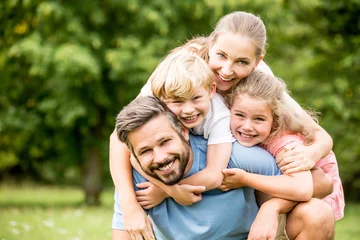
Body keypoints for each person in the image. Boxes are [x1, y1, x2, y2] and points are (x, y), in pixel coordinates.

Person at [109, 10, 334, 238]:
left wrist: (310, 154)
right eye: (222, 56)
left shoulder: (258, 91)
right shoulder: (179, 74)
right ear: (210, 46)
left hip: (272, 162)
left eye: (242, 62)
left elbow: (322, 169)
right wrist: (135, 204)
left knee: (315, 210)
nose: (226, 70)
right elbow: (122, 136)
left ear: (257, 62)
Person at [113, 95, 335, 240]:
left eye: (164, 142)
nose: (160, 157)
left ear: (183, 131)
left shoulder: (230, 154)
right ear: (132, 154)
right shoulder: (135, 180)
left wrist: (273, 206)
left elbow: (322, 183)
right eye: (145, 151)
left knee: (316, 213)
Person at [219, 70, 345, 220]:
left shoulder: (285, 143)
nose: (247, 126)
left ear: (275, 120)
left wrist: (244, 179)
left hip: (316, 194)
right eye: (239, 115)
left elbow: (303, 189)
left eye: (258, 119)